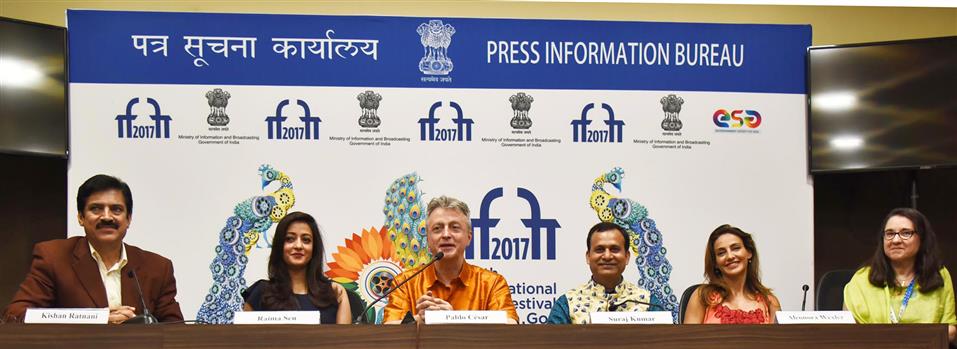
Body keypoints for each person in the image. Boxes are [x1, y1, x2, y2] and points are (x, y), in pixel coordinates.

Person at [3, 174, 183, 324]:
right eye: (96, 209)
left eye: (116, 209)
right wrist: (97, 318)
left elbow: (176, 332)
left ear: (129, 218)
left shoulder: (158, 267)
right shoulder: (53, 258)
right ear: (80, 217)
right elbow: (16, 315)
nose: (107, 217)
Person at [383, 196, 518, 324]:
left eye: (455, 228)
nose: (446, 235)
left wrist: (452, 319)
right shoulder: (405, 283)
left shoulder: (492, 283)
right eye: (437, 229)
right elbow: (389, 329)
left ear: (469, 237)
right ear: (428, 239)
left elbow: (510, 325)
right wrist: (420, 319)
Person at [844, 208, 956, 343]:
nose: (896, 240)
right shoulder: (862, 279)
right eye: (889, 234)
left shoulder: (938, 275)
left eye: (906, 233)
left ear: (922, 238)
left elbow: (950, 331)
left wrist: (906, 339)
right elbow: (848, 332)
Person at [242, 211, 351, 324]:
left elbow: (346, 339)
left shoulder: (335, 292)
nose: (298, 246)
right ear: (279, 246)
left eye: (306, 240)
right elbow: (243, 339)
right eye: (290, 239)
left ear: (314, 248)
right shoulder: (261, 292)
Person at [548, 222, 661, 324]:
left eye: (614, 249)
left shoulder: (649, 302)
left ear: (627, 257)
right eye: (600, 249)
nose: (607, 256)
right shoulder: (567, 304)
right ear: (588, 257)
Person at [684, 224, 780, 324]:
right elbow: (688, 339)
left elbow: (779, 339)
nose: (730, 256)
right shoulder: (702, 297)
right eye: (721, 253)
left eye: (736, 248)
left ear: (749, 253)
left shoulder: (770, 302)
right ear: (715, 263)